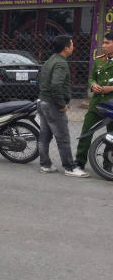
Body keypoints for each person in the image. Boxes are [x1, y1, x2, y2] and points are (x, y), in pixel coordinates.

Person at [37, 35, 89, 177]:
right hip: (53, 104)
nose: (73, 47)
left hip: (42, 101)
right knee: (63, 138)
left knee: (44, 136)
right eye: (72, 44)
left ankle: (45, 165)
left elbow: (41, 80)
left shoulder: (50, 60)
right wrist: (61, 105)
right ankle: (70, 168)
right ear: (66, 48)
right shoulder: (60, 63)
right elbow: (56, 85)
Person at [75, 31, 113, 169]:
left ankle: (107, 164)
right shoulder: (99, 60)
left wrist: (110, 88)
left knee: (111, 136)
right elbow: (91, 78)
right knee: (86, 132)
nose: (103, 45)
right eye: (103, 43)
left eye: (107, 43)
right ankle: (79, 162)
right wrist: (93, 85)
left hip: (111, 104)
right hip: (97, 104)